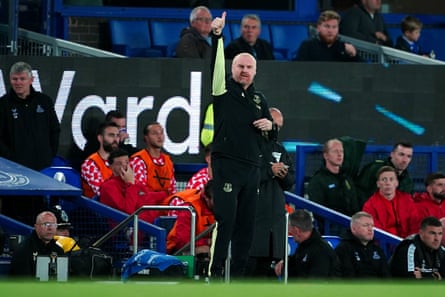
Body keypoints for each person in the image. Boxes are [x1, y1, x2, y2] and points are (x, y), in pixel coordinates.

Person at [209, 11, 277, 278]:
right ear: (233, 68)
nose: (244, 70)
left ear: (255, 71)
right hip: (227, 164)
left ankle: (237, 279)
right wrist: (217, 37)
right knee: (226, 222)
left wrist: (272, 127)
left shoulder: (260, 100)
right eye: (240, 66)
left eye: (249, 67)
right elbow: (214, 66)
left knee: (246, 226)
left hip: (253, 168)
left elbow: (273, 136)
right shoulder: (222, 90)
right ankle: (215, 276)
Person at [246, 107, 295, 277]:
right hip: (253, 224)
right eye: (274, 125)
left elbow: (290, 183)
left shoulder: (280, 149)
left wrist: (284, 174)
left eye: (279, 127)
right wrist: (269, 171)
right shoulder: (249, 146)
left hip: (274, 227)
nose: (276, 130)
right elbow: (245, 177)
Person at [0, 61, 60, 171]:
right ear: (10, 80)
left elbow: (54, 130)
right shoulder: (3, 104)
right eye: (14, 79)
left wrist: (48, 155)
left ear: (31, 80)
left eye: (22, 79)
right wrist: (12, 159)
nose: (18, 83)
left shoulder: (44, 101)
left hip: (43, 166)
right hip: (15, 169)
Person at [100, 149, 168, 224]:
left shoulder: (136, 183)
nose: (124, 166)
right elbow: (127, 211)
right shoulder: (109, 186)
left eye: (126, 162)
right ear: (111, 167)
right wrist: (130, 183)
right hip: (124, 228)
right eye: (119, 164)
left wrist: (168, 195)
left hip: (148, 225)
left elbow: (149, 197)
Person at [274, 209, 340, 278]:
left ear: (297, 230)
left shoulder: (321, 251)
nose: (290, 234)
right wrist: (284, 263)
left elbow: (317, 283)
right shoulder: (304, 246)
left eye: (290, 232)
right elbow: (295, 263)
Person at [362, 166, 420, 238]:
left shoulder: (407, 199)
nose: (388, 183)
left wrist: (409, 241)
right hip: (384, 243)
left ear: (396, 183)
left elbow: (415, 223)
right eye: (384, 179)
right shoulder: (370, 205)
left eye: (391, 179)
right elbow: (376, 231)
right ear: (378, 184)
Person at [307, 138, 359, 217]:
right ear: (326, 155)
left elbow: (355, 205)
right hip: (329, 226)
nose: (339, 154)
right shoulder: (318, 181)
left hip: (351, 225)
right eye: (335, 151)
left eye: (341, 151)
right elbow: (318, 211)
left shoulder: (346, 178)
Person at [355, 141, 414, 207]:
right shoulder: (374, 168)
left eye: (409, 156)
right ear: (392, 154)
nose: (405, 160)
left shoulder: (408, 181)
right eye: (401, 154)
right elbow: (359, 192)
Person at [334, 211, 390, 278]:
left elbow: (386, 277)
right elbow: (347, 277)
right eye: (365, 225)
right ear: (354, 229)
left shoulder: (378, 250)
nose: (370, 229)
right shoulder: (343, 249)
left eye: (372, 226)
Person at [167, 180, 215, 255]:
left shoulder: (222, 209)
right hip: (178, 250)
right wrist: (207, 242)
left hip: (209, 245)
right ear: (206, 198)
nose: (220, 203)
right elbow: (183, 241)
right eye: (216, 200)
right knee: (205, 252)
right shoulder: (189, 208)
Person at [9, 211, 65, 277]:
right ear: (36, 227)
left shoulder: (59, 250)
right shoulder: (23, 250)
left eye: (53, 225)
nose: (50, 228)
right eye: (46, 224)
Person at [294, 10, 359, 62]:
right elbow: (298, 69)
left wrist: (354, 55)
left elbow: (361, 70)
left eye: (334, 27)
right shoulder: (307, 46)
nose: (330, 30)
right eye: (327, 26)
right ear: (318, 28)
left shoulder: (344, 47)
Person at [130, 122, 176, 195]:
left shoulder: (168, 161)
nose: (159, 137)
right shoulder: (139, 160)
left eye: (161, 133)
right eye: (155, 134)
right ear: (146, 137)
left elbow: (172, 189)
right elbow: (140, 192)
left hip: (166, 203)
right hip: (147, 204)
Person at [81, 121, 119, 198]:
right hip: (97, 208)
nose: (115, 139)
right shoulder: (90, 164)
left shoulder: (120, 161)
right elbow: (103, 192)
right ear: (100, 138)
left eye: (117, 136)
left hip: (120, 205)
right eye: (111, 135)